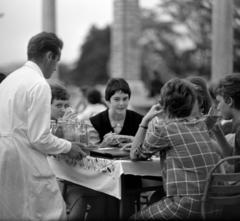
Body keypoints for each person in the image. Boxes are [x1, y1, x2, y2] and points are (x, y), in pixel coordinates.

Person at [0, 32, 86, 221]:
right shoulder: (39, 85)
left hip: (5, 160)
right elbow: (40, 138)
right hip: (24, 162)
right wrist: (69, 147)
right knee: (53, 214)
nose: (55, 68)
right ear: (49, 56)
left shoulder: (8, 81)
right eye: (57, 60)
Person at [129, 78, 222, 220]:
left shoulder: (165, 129)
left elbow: (135, 155)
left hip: (186, 206)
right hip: (214, 205)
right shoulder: (201, 125)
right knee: (157, 199)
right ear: (192, 103)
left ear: (164, 104)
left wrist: (145, 121)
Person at [65, 77, 144, 221]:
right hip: (102, 175)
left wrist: (133, 141)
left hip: (131, 174)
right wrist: (103, 145)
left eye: (125, 99)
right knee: (111, 192)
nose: (122, 103)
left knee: (127, 188)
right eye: (117, 99)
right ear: (108, 100)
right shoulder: (95, 122)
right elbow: (92, 153)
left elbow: (147, 144)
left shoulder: (140, 120)